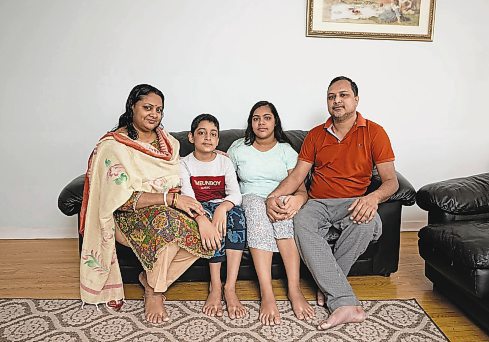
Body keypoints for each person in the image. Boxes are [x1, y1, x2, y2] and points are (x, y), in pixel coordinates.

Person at [79, 84, 221, 324]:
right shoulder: (114, 146)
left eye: (159, 109)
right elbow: (120, 200)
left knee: (207, 237)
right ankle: (155, 293)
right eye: (147, 107)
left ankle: (150, 279)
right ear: (132, 107)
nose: (154, 114)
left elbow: (176, 184)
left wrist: (199, 216)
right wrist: (170, 199)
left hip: (168, 209)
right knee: (166, 224)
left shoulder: (169, 145)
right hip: (128, 215)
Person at [266, 76, 399, 330]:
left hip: (353, 202)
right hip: (318, 203)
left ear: (356, 99)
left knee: (367, 223)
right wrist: (272, 197)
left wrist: (372, 198)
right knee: (301, 221)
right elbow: (297, 176)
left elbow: (391, 182)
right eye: (331, 97)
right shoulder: (316, 135)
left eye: (343, 95)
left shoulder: (375, 132)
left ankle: (333, 292)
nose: (336, 101)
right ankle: (340, 296)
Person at [227, 101, 315, 326]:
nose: (261, 122)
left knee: (283, 208)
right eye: (256, 118)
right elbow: (224, 177)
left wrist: (295, 200)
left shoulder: (286, 150)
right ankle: (267, 294)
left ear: (275, 121)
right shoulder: (238, 148)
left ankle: (294, 290)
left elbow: (300, 188)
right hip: (251, 198)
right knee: (256, 208)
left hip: (279, 198)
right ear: (251, 123)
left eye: (267, 117)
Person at [180, 114, 247, 319]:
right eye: (202, 133)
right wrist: (205, 217)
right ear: (191, 137)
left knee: (237, 218)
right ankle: (216, 286)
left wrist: (222, 209)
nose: (207, 138)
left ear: (217, 140)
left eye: (213, 134)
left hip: (221, 207)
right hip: (197, 208)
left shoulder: (224, 162)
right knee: (213, 225)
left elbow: (235, 194)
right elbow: (188, 197)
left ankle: (230, 287)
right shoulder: (184, 163)